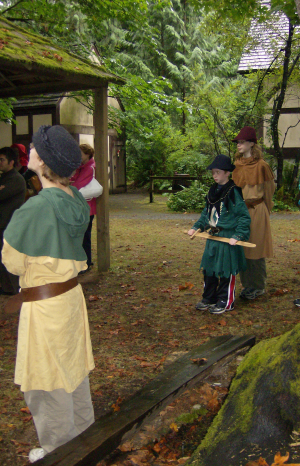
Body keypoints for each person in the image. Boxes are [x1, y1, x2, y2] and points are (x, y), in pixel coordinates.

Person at [2, 126, 95, 463]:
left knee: (45, 379)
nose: (30, 150)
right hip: (69, 300)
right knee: (71, 369)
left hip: (44, 307)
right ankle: (85, 435)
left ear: (42, 161)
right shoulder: (76, 200)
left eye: (34, 148)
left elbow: (11, 261)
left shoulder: (37, 207)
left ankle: (59, 452)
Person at [188, 154, 251, 315]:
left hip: (227, 238)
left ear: (227, 173)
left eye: (218, 172)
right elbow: (206, 214)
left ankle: (225, 301)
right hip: (212, 237)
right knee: (209, 269)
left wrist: (238, 236)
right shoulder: (212, 191)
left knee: (225, 270)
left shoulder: (234, 192)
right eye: (213, 172)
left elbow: (244, 216)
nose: (215, 175)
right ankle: (209, 298)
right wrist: (197, 227)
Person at [232, 126, 275, 300]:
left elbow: (269, 190)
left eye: (242, 142)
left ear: (251, 144)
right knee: (242, 248)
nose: (238, 145)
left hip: (257, 211)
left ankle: (258, 286)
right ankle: (247, 286)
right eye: (237, 142)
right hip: (240, 212)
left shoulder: (262, 166)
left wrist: (265, 210)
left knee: (256, 250)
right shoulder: (236, 165)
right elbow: (233, 191)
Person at [70, 144, 102, 273]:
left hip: (86, 207)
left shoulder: (89, 168)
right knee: (82, 235)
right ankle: (85, 261)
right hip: (83, 206)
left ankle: (86, 263)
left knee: (84, 236)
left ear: (87, 154)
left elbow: (78, 184)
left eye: (80, 153)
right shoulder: (82, 167)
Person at [0, 147, 26, 295]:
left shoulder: (16, 179)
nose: (0, 163)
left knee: (10, 258)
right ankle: (6, 287)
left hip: (9, 224)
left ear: (11, 162)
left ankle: (16, 289)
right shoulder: (3, 178)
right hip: (2, 223)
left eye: (2, 160)